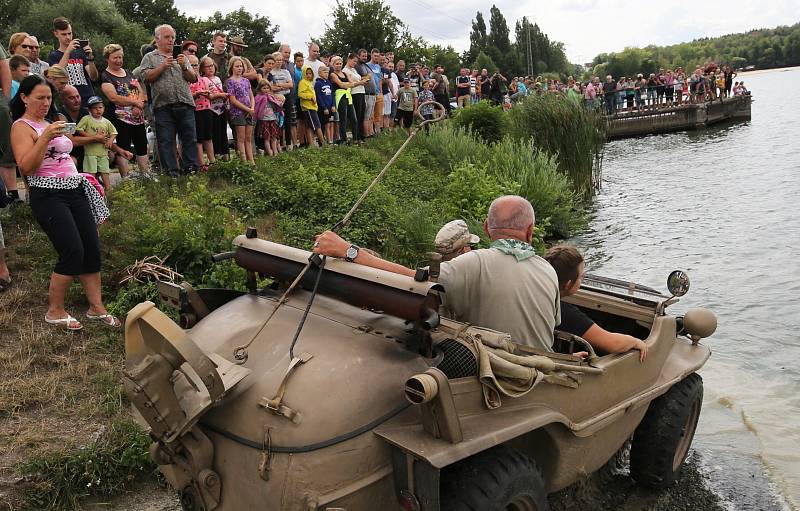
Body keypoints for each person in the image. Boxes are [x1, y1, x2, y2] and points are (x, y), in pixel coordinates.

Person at [313, 195, 560, 351]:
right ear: (530, 232)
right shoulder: (548, 270)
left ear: (486, 229)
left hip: (498, 376)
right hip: (540, 373)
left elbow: (414, 282)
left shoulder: (476, 262)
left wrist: (351, 252)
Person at [9, 74, 115, 331]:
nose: (46, 103)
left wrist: (70, 161)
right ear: (24, 98)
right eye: (40, 98)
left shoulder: (53, 120)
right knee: (72, 250)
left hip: (74, 189)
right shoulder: (22, 127)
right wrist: (45, 136)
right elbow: (27, 167)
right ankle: (54, 310)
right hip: (47, 194)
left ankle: (96, 306)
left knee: (91, 246)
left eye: (48, 97)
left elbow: (67, 150)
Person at [544, 245, 647, 362]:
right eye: (581, 277)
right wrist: (636, 342)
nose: (581, 280)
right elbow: (613, 343)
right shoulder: (564, 311)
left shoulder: (541, 298)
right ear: (567, 284)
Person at [139, 24, 200, 177]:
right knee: (166, 141)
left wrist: (184, 67)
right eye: (167, 37)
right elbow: (145, 77)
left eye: (172, 37)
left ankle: (191, 171)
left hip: (185, 102)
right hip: (163, 106)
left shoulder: (182, 57)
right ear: (157, 39)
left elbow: (193, 78)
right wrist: (162, 67)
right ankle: (172, 174)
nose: (171, 40)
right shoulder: (150, 57)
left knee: (190, 139)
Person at [100, 44, 149, 178]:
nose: (119, 60)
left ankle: (145, 176)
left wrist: (138, 105)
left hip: (137, 117)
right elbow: (113, 97)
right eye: (115, 57)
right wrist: (134, 102)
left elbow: (140, 90)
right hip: (120, 118)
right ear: (107, 59)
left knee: (142, 146)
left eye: (120, 57)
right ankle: (126, 179)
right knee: (124, 148)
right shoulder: (106, 76)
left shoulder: (129, 72)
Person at [47, 17, 98, 107]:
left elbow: (93, 77)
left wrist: (90, 58)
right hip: (68, 101)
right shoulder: (53, 56)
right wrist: (68, 51)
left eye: (69, 33)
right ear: (56, 34)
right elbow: (57, 73)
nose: (68, 37)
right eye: (64, 34)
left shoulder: (81, 52)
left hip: (88, 99)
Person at [76, 96, 117, 190]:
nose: (98, 110)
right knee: (91, 172)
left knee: (105, 171)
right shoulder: (87, 119)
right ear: (90, 110)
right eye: (95, 108)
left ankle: (108, 189)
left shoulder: (106, 121)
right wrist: (92, 137)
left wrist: (110, 140)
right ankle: (92, 190)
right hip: (90, 153)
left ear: (104, 108)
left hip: (103, 152)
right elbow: (78, 129)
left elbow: (114, 132)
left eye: (100, 107)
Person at [187, 54, 215, 169]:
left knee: (208, 137)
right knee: (198, 139)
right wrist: (196, 94)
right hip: (195, 111)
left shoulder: (204, 79)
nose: (195, 67)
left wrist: (209, 93)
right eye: (192, 65)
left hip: (207, 110)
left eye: (196, 64)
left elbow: (211, 96)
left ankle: (212, 161)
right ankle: (201, 164)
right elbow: (187, 96)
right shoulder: (187, 80)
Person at [226, 56, 255, 163]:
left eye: (241, 66)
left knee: (248, 138)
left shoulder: (246, 81)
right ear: (232, 67)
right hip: (238, 112)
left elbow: (251, 96)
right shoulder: (230, 81)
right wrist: (247, 109)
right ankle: (243, 161)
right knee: (241, 138)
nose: (239, 68)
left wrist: (251, 108)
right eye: (237, 66)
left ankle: (251, 161)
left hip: (249, 112)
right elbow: (233, 100)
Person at [253, 79, 283, 156]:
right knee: (266, 138)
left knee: (274, 137)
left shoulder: (271, 97)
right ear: (260, 89)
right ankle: (270, 152)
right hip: (264, 120)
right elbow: (256, 108)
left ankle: (275, 152)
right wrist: (255, 117)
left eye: (267, 88)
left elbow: (276, 105)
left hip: (272, 119)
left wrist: (279, 104)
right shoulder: (258, 97)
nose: (266, 90)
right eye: (264, 88)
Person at [298, 65, 324, 147]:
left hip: (312, 107)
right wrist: (310, 97)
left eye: (310, 73)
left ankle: (311, 145)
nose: (309, 75)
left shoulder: (309, 83)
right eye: (307, 73)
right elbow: (300, 94)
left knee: (310, 127)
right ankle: (324, 144)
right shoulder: (303, 82)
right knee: (318, 126)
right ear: (304, 74)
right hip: (308, 108)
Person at [315, 65, 335, 144]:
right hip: (323, 108)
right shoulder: (318, 83)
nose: (326, 74)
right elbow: (319, 97)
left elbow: (333, 94)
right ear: (320, 73)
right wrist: (324, 107)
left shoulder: (329, 82)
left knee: (330, 123)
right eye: (324, 72)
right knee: (324, 124)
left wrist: (333, 105)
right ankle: (322, 142)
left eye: (327, 72)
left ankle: (330, 140)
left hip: (331, 107)